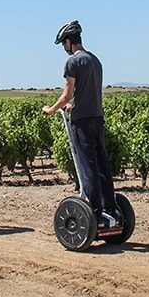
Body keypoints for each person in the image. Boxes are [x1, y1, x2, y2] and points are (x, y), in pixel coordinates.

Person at [42, 20, 122, 228]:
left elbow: (68, 93)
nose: (64, 49)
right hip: (97, 118)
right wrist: (73, 106)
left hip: (82, 122)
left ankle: (95, 213)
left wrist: (52, 109)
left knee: (88, 167)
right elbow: (88, 92)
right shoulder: (95, 61)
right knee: (103, 164)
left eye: (63, 44)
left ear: (68, 42)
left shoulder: (72, 63)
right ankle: (110, 209)